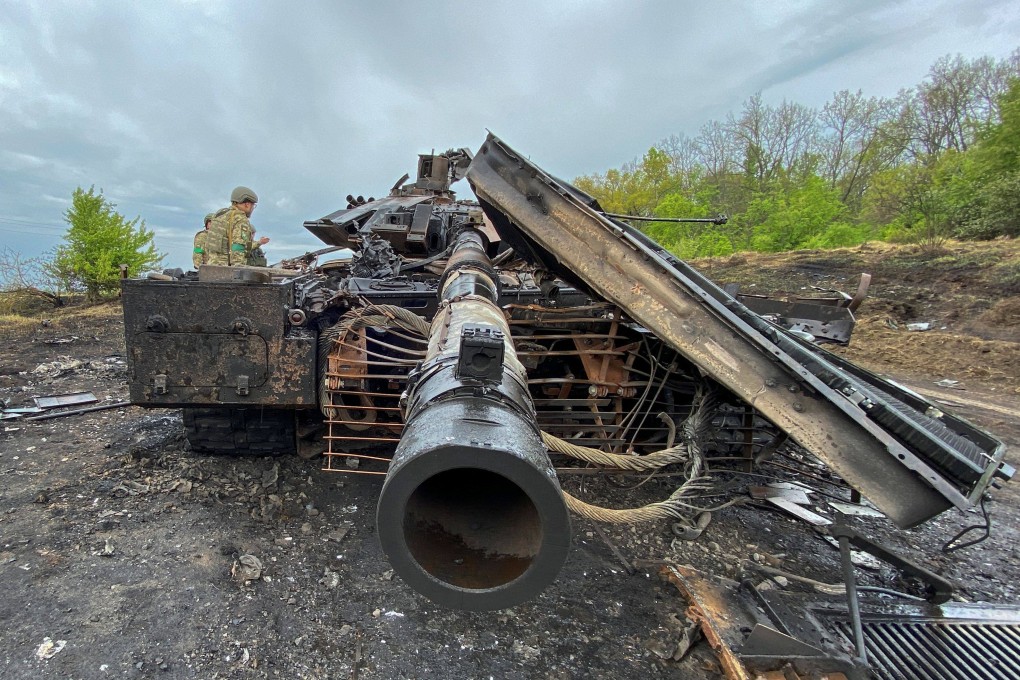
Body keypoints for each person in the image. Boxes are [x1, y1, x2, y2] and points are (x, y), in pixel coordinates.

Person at [206, 186, 270, 266]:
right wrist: (239, 270)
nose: (252, 208)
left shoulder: (220, 216)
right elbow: (237, 248)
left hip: (211, 267)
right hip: (226, 270)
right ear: (247, 204)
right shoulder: (240, 218)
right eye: (253, 206)